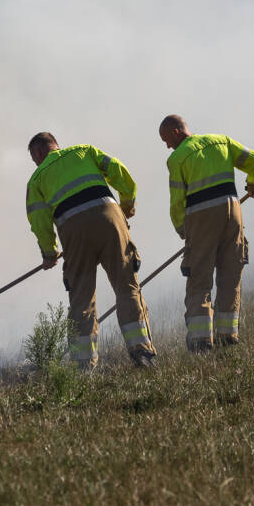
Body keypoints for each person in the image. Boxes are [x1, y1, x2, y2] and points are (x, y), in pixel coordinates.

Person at [25, 132, 157, 369]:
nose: (36, 163)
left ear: (39, 152)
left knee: (81, 299)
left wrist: (49, 253)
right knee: (127, 287)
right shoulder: (84, 150)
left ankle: (84, 366)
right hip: (109, 219)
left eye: (34, 158)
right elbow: (119, 172)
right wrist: (127, 205)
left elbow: (39, 220)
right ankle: (142, 352)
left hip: (73, 230)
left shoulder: (36, 179)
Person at [159, 115, 254, 352]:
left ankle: (201, 342)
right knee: (230, 275)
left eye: (166, 140)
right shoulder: (222, 141)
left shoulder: (177, 159)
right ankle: (227, 337)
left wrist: (183, 230)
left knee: (199, 278)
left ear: (176, 132)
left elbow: (177, 201)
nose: (167, 146)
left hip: (201, 219)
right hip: (233, 212)